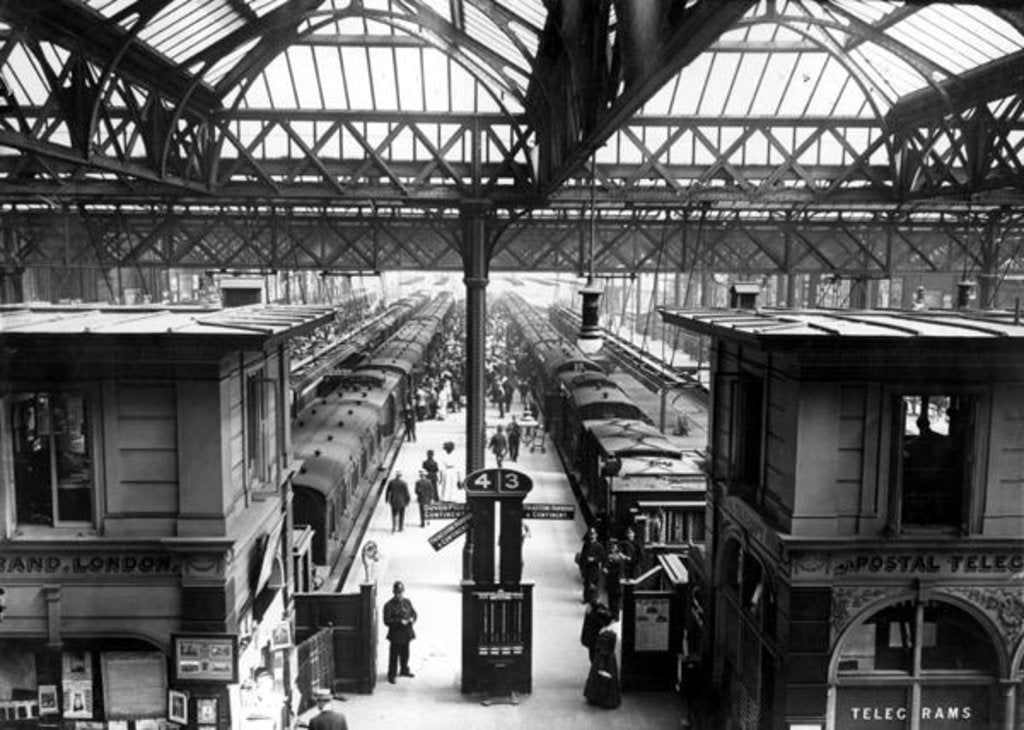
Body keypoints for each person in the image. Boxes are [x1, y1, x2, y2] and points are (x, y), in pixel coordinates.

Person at [382, 580, 417, 684]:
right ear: (394, 592)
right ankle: (392, 674)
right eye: (398, 593)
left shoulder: (407, 602)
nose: (399, 595)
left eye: (401, 592)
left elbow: (414, 613)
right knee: (394, 655)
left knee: (405, 653)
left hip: (406, 633)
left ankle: (404, 670)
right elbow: (387, 621)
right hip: (396, 635)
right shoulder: (388, 605)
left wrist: (412, 619)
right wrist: (399, 622)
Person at [583, 614, 621, 709]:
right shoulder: (613, 632)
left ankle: (595, 693)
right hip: (607, 651)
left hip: (603, 650)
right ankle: (606, 696)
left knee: (599, 669)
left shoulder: (604, 634)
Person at [576, 527, 605, 603]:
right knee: (586, 583)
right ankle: (586, 598)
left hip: (594, 567)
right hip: (587, 567)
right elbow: (583, 556)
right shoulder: (586, 545)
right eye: (590, 534)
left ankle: (593, 599)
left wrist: (594, 559)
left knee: (594, 583)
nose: (592, 536)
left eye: (593, 534)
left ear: (596, 535)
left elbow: (602, 557)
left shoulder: (599, 546)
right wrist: (582, 566)